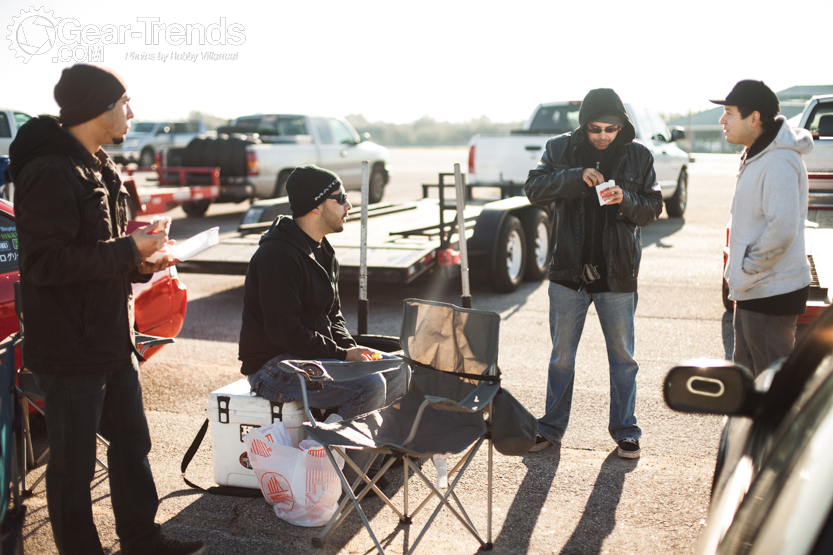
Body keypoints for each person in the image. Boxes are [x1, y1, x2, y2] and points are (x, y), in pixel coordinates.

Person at [9, 64, 206, 555]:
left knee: (133, 446)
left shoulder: (101, 166)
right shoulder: (49, 171)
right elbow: (45, 264)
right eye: (124, 103)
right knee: (73, 466)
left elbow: (103, 253)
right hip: (71, 347)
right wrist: (127, 251)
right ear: (97, 108)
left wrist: (144, 260)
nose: (131, 113)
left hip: (112, 340)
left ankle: (142, 541)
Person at [524, 88, 662, 459]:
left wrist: (626, 200)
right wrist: (573, 176)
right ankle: (550, 429)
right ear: (583, 125)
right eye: (595, 128)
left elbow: (653, 207)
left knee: (623, 359)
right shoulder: (559, 149)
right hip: (567, 273)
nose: (602, 135)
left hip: (617, 276)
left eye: (611, 128)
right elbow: (533, 188)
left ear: (622, 126)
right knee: (561, 358)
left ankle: (626, 431)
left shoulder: (639, 155)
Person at [239, 164, 406, 422]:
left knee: (398, 369)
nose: (348, 205)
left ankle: (378, 455)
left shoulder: (323, 250)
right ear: (316, 206)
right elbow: (284, 331)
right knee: (369, 384)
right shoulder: (278, 256)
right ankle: (341, 459)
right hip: (272, 367)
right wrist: (342, 356)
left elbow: (333, 315)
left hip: (307, 355)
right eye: (340, 198)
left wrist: (351, 349)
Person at [711, 80, 813, 376]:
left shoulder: (778, 161)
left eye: (729, 112)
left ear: (753, 118)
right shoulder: (759, 154)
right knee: (748, 378)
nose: (722, 120)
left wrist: (750, 267)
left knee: (769, 384)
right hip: (756, 288)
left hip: (769, 289)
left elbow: (782, 229)